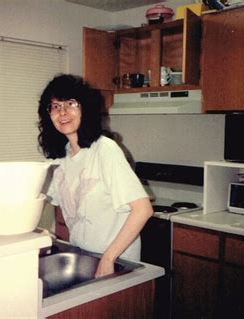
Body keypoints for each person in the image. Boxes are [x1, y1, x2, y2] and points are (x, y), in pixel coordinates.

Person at [37, 74, 153, 278]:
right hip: (84, 256)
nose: (62, 112)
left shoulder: (105, 150)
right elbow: (42, 199)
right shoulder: (60, 157)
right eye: (55, 106)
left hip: (117, 261)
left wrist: (109, 259)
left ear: (85, 108)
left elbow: (143, 209)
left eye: (71, 103)